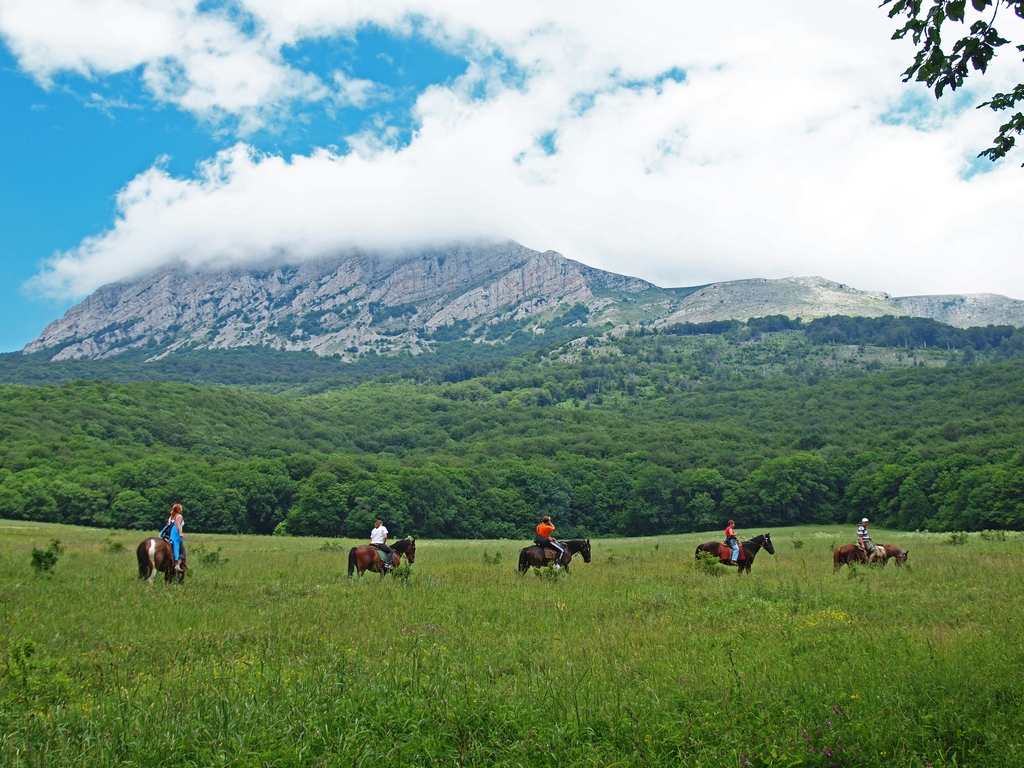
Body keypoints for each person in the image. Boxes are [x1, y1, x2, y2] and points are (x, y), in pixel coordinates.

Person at [165, 503, 186, 572]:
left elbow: (167, 525)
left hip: (168, 536)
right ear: (178, 510)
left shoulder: (171, 517)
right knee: (183, 553)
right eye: (181, 508)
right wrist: (180, 533)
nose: (182, 509)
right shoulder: (179, 516)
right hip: (176, 537)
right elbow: (177, 524)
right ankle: (177, 565)